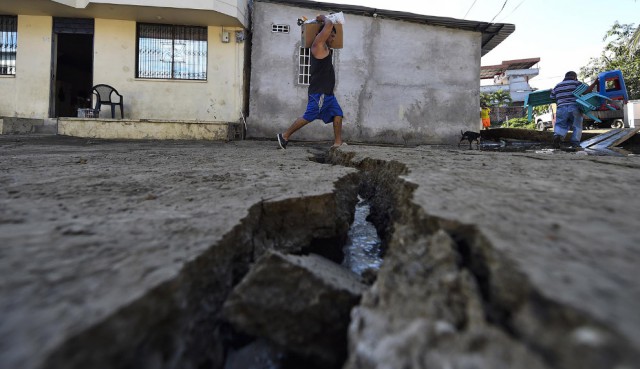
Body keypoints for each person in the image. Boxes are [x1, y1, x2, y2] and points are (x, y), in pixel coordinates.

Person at [277, 14, 343, 149]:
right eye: (331, 35)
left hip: (328, 93)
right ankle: (284, 136)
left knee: (338, 115)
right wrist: (323, 18)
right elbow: (329, 24)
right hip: (320, 93)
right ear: (323, 34)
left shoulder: (326, 48)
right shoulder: (318, 45)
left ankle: (337, 142)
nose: (333, 38)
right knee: (309, 116)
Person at [550, 71, 585, 148]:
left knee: (560, 124)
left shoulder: (557, 86)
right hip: (574, 107)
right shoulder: (577, 83)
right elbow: (585, 91)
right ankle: (575, 143)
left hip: (561, 108)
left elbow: (552, 97)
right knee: (577, 125)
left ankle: (557, 136)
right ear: (575, 77)